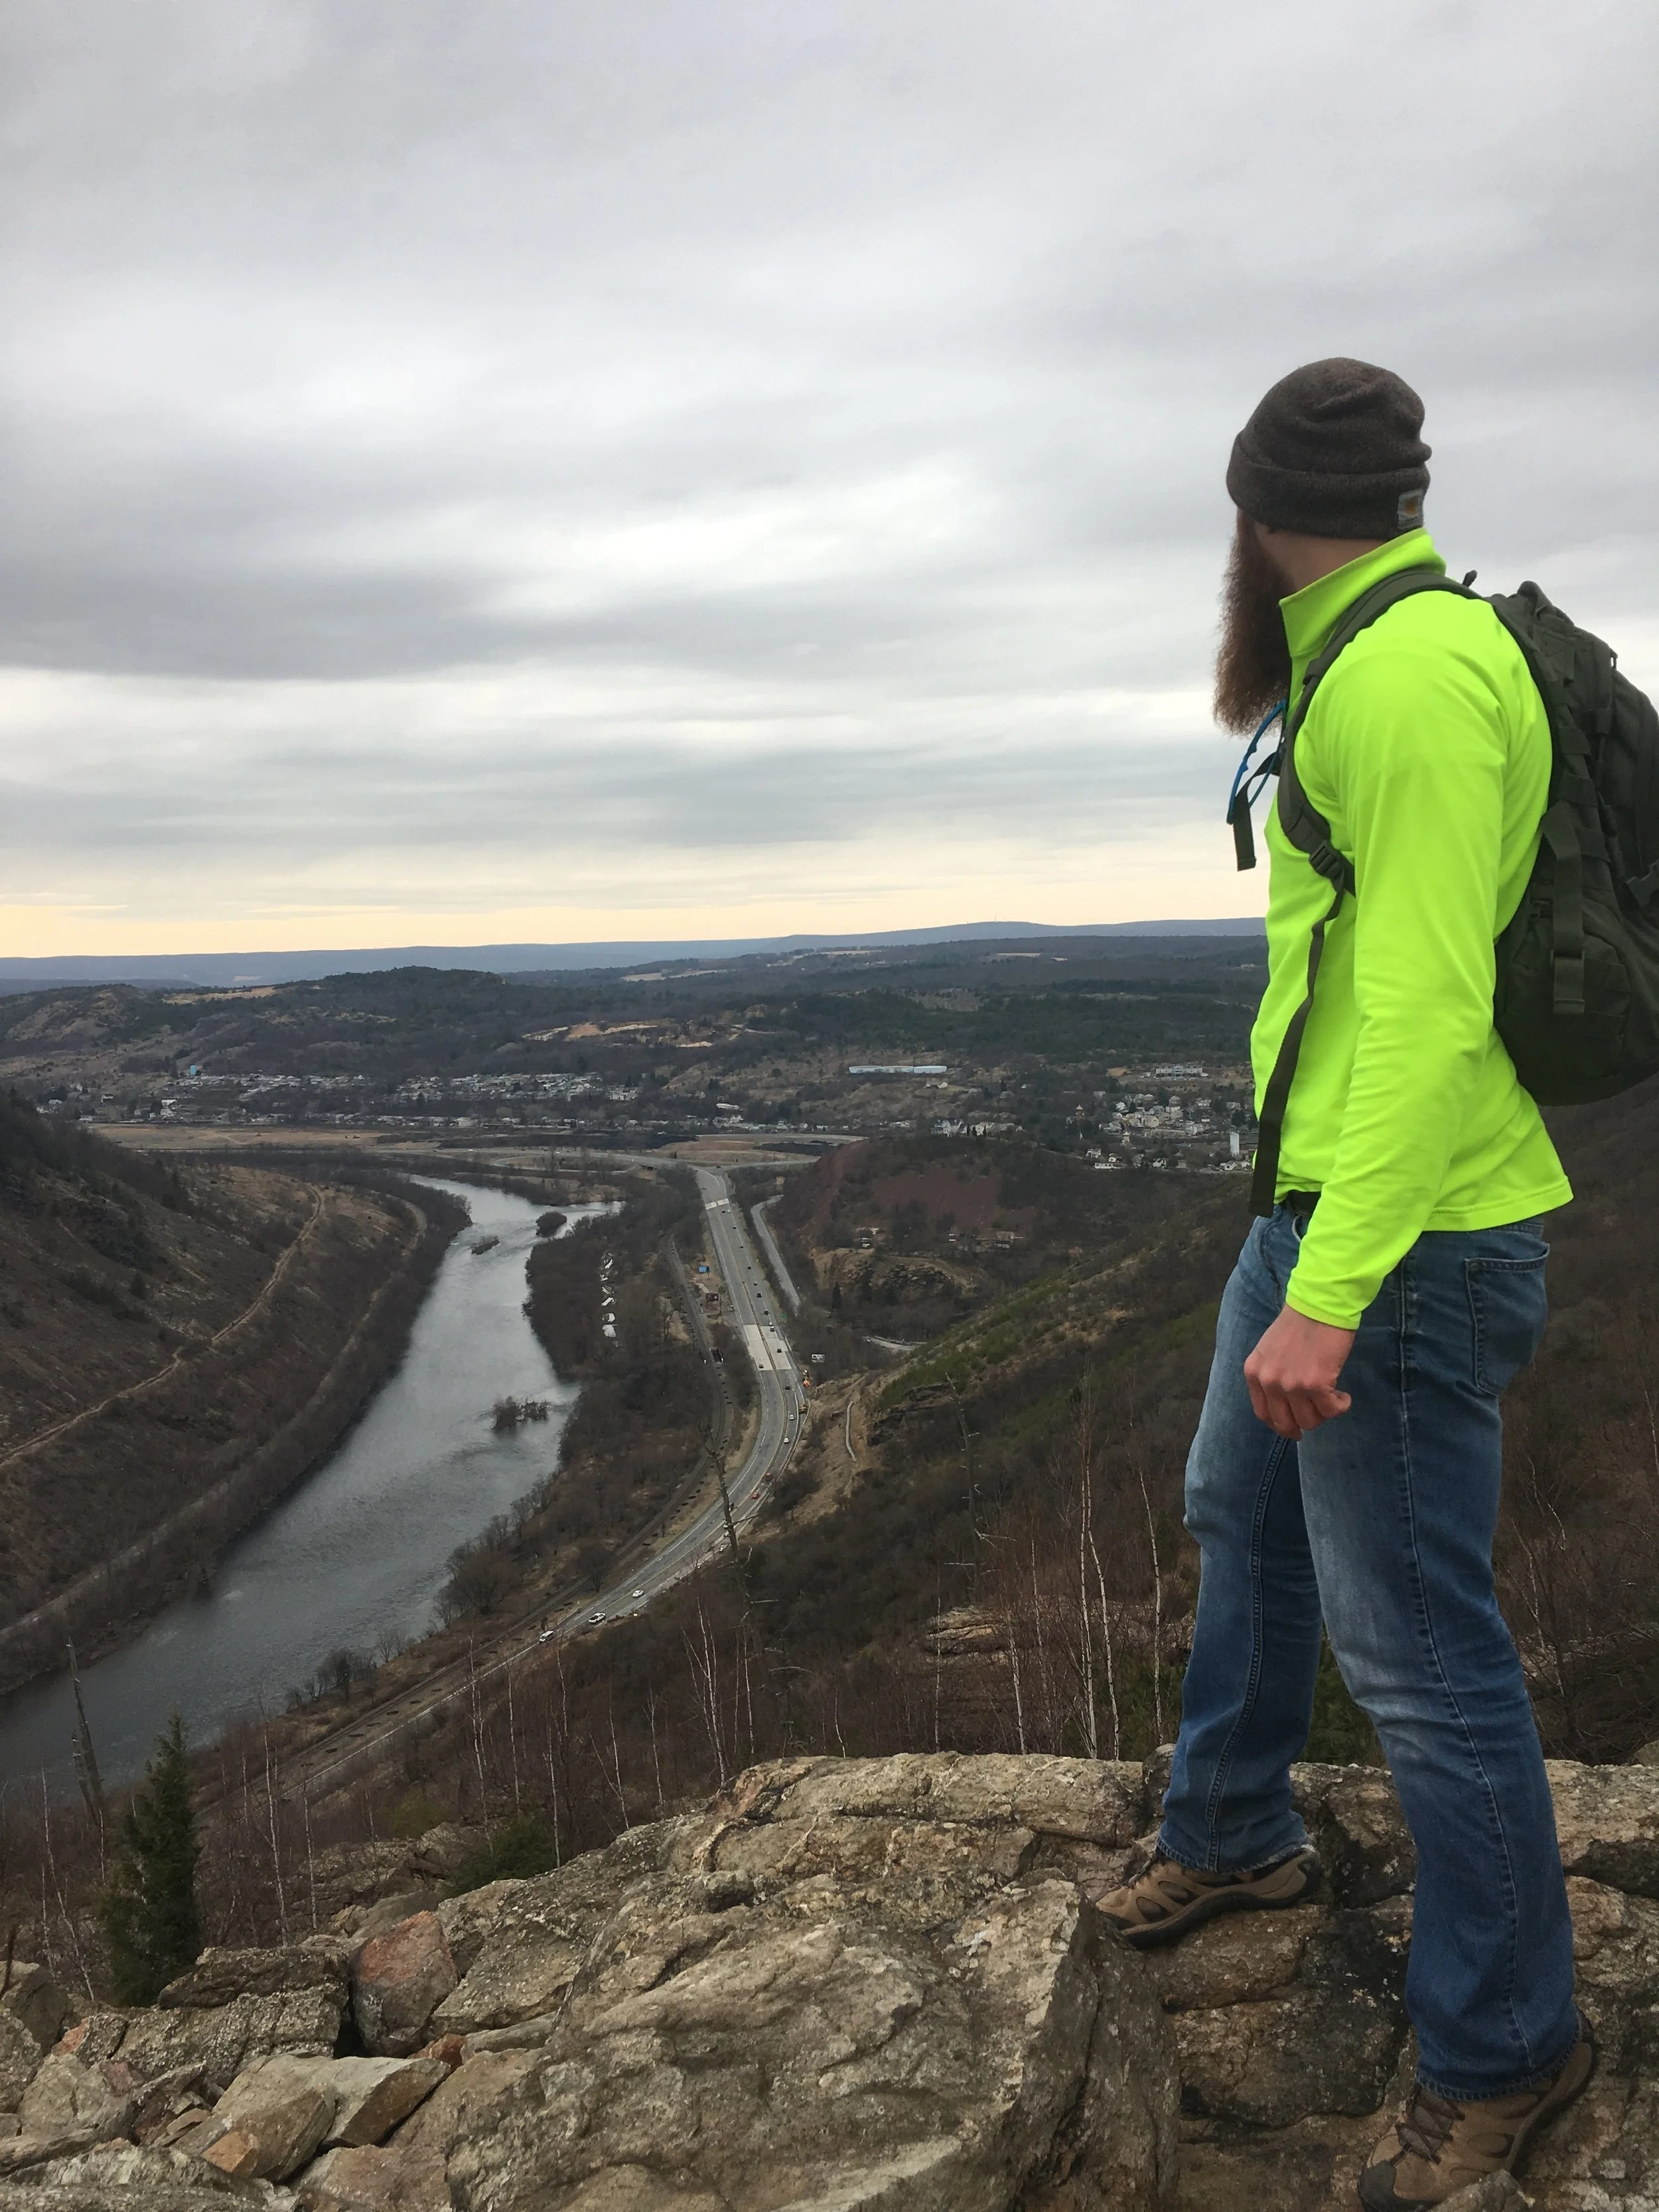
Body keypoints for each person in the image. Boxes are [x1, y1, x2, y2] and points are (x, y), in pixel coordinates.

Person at [1097, 360, 1593, 2209]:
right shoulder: (1369, 653)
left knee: (1420, 1655)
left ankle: (1505, 2051)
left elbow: (1423, 1011)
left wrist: (1333, 1288)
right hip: (1316, 1210)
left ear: (1250, 511)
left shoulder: (1401, 678)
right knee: (1238, 1506)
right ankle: (1229, 1828)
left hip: (1396, 1240)